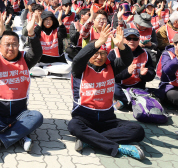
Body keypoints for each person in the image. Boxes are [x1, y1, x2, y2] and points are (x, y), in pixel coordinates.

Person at [68, 25, 145, 160]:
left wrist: (122, 46)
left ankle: (89, 140)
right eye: (95, 53)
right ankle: (118, 148)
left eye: (103, 53)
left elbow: (127, 60)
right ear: (89, 54)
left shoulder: (112, 67)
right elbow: (77, 59)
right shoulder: (79, 69)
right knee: (73, 126)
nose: (99, 57)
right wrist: (98, 43)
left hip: (107, 119)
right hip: (84, 118)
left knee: (138, 131)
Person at [0, 13, 43, 158]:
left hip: (20, 114)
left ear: (19, 45)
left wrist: (31, 34)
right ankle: (20, 135)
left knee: (37, 116)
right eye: (7, 44)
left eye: (14, 44)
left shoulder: (25, 59)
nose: (11, 48)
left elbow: (37, 52)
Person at [108, 28, 155, 109]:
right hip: (120, 87)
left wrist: (144, 74)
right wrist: (127, 72)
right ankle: (137, 102)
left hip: (137, 88)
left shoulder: (145, 53)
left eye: (135, 39)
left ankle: (125, 102)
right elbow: (109, 76)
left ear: (139, 40)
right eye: (128, 38)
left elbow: (152, 74)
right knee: (114, 90)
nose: (132, 41)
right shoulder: (114, 53)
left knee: (160, 93)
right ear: (123, 39)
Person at [157, 34, 178, 106]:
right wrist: (177, 59)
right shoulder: (167, 54)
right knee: (174, 96)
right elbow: (166, 71)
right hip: (171, 87)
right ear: (175, 45)